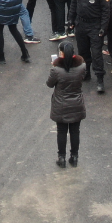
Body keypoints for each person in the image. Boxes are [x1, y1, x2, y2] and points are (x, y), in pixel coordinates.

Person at [46, 39, 87, 168]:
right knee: (75, 131)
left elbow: (49, 84)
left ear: (61, 53)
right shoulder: (82, 66)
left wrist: (53, 67)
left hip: (61, 105)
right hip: (77, 104)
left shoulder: (57, 70)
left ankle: (61, 157)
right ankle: (74, 157)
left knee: (62, 131)